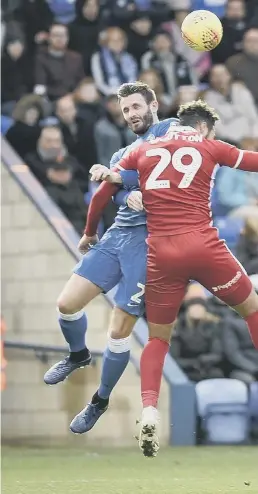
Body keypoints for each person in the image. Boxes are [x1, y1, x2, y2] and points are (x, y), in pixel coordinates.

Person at [87, 99, 258, 457]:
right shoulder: (211, 146)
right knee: (252, 310)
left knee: (159, 338)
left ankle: (149, 409)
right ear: (202, 128)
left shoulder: (143, 148)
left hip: (162, 254)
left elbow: (106, 188)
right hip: (204, 246)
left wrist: (90, 230)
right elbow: (253, 163)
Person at [43, 82, 179, 434]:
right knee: (66, 305)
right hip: (117, 237)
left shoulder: (174, 132)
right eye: (126, 111)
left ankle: (99, 401)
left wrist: (121, 178)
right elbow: (114, 194)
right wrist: (123, 193)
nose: (132, 114)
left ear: (153, 104)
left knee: (118, 333)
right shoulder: (122, 152)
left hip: (149, 246)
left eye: (136, 106)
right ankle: (77, 355)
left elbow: (164, 170)